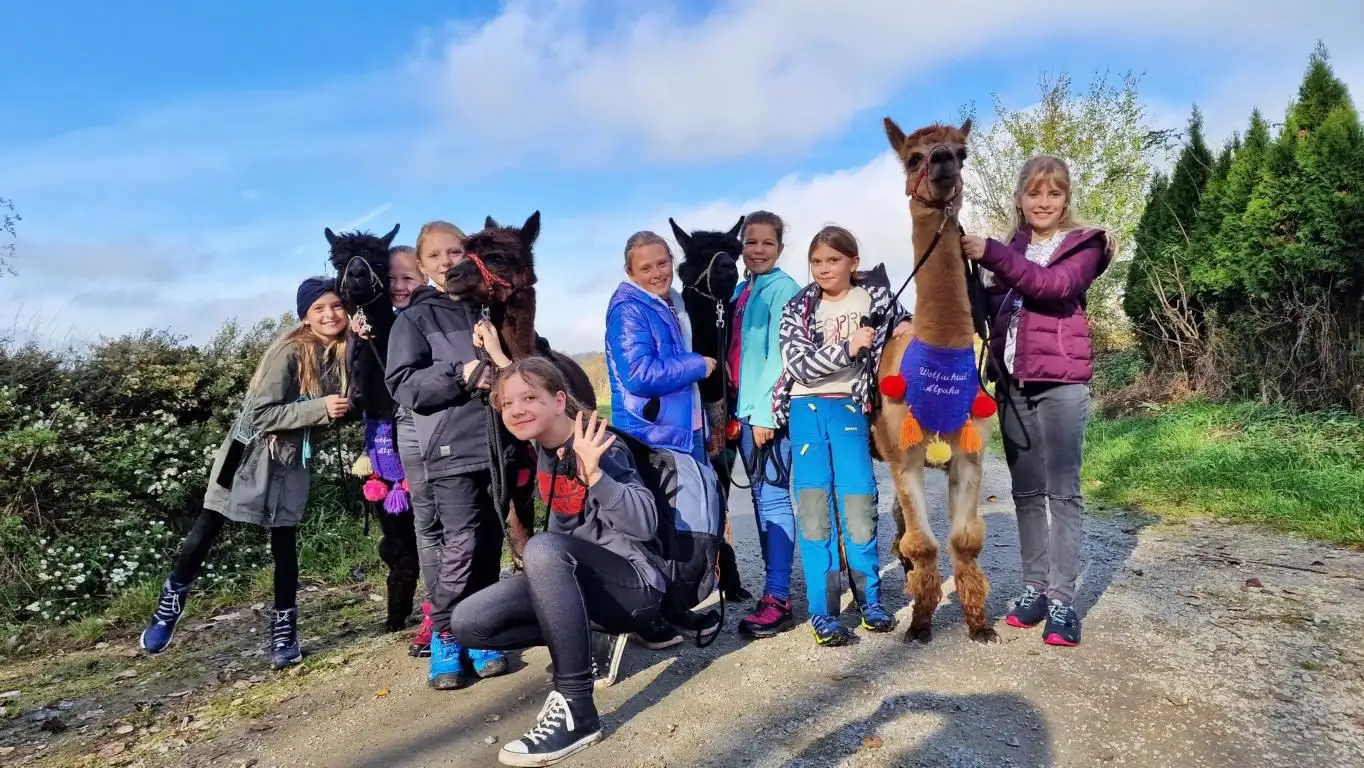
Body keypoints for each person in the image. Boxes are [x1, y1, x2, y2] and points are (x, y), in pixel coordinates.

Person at [451, 357, 667, 767]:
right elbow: (564, 536)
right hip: (585, 584)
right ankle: (579, 642)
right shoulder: (545, 450)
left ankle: (576, 708)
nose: (516, 410)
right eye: (507, 403)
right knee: (469, 622)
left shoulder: (602, 444)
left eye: (530, 398)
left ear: (559, 400)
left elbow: (645, 524)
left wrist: (595, 475)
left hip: (637, 587)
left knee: (542, 549)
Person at [140, 277, 352, 669]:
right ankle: (170, 605)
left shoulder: (341, 355)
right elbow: (261, 414)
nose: (330, 314)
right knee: (206, 529)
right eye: (319, 308)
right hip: (247, 456)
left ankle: (284, 632)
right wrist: (321, 408)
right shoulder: (289, 352)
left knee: (285, 546)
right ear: (305, 316)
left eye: (337, 305)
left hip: (291, 463)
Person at [961, 155, 1114, 648]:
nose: (1043, 202)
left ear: (1066, 198)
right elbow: (986, 312)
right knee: (1026, 493)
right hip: (1012, 384)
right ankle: (1035, 590)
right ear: (1020, 199)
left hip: (1061, 382)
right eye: (1034, 194)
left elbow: (1052, 288)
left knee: (1062, 493)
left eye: (1053, 194)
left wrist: (990, 255)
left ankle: (1064, 602)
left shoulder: (1084, 245)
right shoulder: (1011, 249)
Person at [384, 229, 512, 688]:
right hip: (447, 444)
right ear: (421, 265)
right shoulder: (414, 320)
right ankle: (445, 635)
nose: (446, 261)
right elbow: (404, 384)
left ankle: (478, 631)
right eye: (435, 255)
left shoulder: (489, 309)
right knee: (460, 544)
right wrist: (460, 375)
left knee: (490, 541)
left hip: (497, 443)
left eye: (455, 252)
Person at [775, 226, 912, 645]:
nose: (823, 269)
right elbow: (799, 366)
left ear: (853, 262)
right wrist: (849, 348)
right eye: (816, 261)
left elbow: (904, 326)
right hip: (806, 410)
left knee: (859, 504)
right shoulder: (797, 307)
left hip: (851, 411)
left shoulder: (876, 299)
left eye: (833, 260)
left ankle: (870, 601)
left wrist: (907, 326)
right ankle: (824, 611)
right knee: (815, 512)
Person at [728, 210, 802, 639]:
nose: (757, 250)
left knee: (773, 500)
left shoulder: (784, 290)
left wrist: (768, 414)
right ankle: (774, 591)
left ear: (779, 247)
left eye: (766, 243)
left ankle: (778, 598)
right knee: (760, 501)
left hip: (766, 415)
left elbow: (783, 356)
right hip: (746, 413)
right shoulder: (744, 291)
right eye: (750, 242)